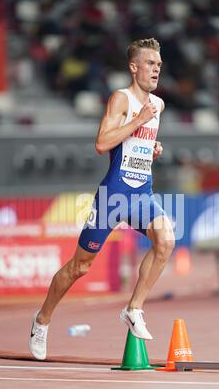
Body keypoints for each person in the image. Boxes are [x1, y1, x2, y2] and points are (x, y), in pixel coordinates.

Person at [29, 38, 175, 360]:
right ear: (134, 67)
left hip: (141, 193)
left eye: (159, 65)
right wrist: (138, 122)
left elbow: (136, 144)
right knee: (80, 266)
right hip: (114, 196)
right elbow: (101, 143)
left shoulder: (159, 106)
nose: (156, 70)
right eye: (150, 64)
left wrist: (151, 148)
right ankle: (42, 321)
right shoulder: (121, 99)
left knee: (165, 240)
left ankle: (133, 309)